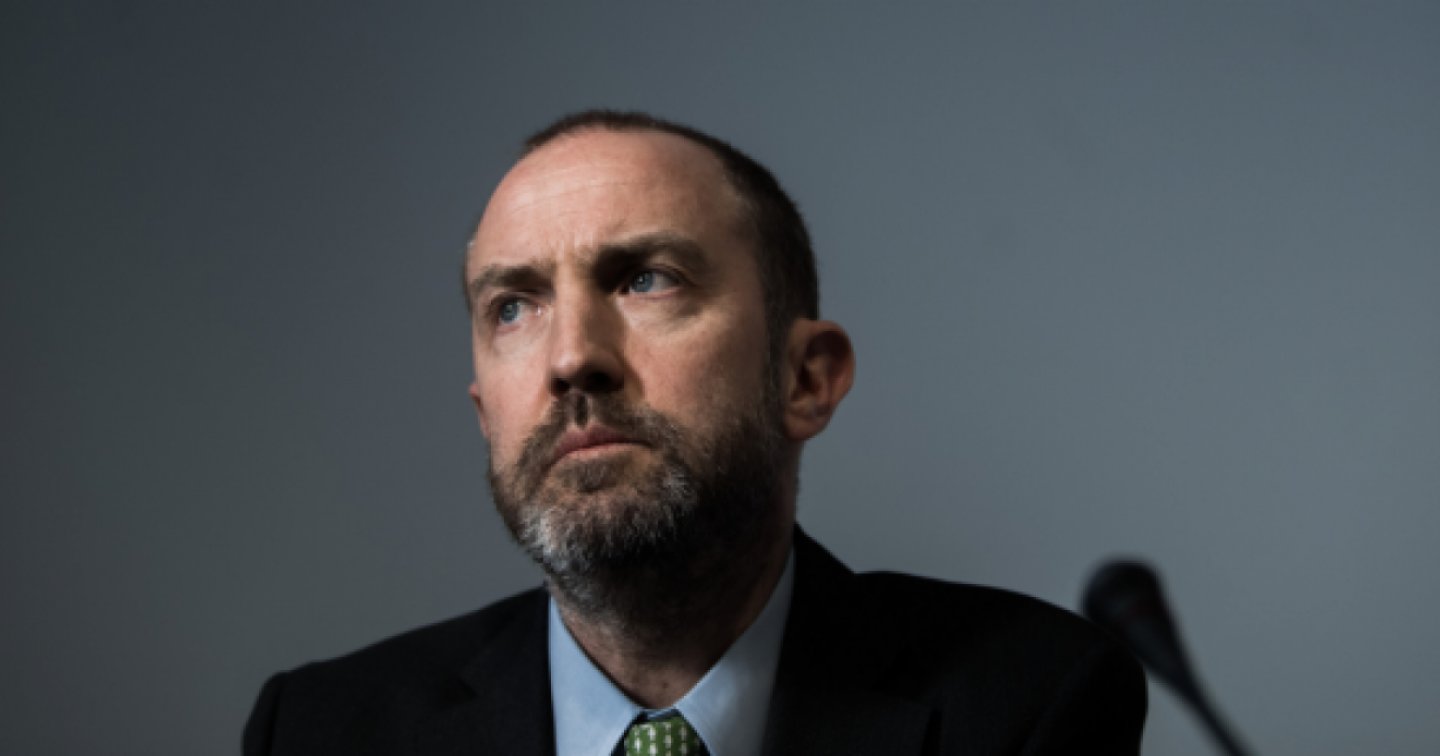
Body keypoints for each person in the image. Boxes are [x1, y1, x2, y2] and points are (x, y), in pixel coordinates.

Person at [243, 110, 1146, 755]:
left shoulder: (1026, 705)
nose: (572, 359)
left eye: (646, 280)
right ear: (487, 414)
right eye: (514, 305)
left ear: (806, 378)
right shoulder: (320, 731)